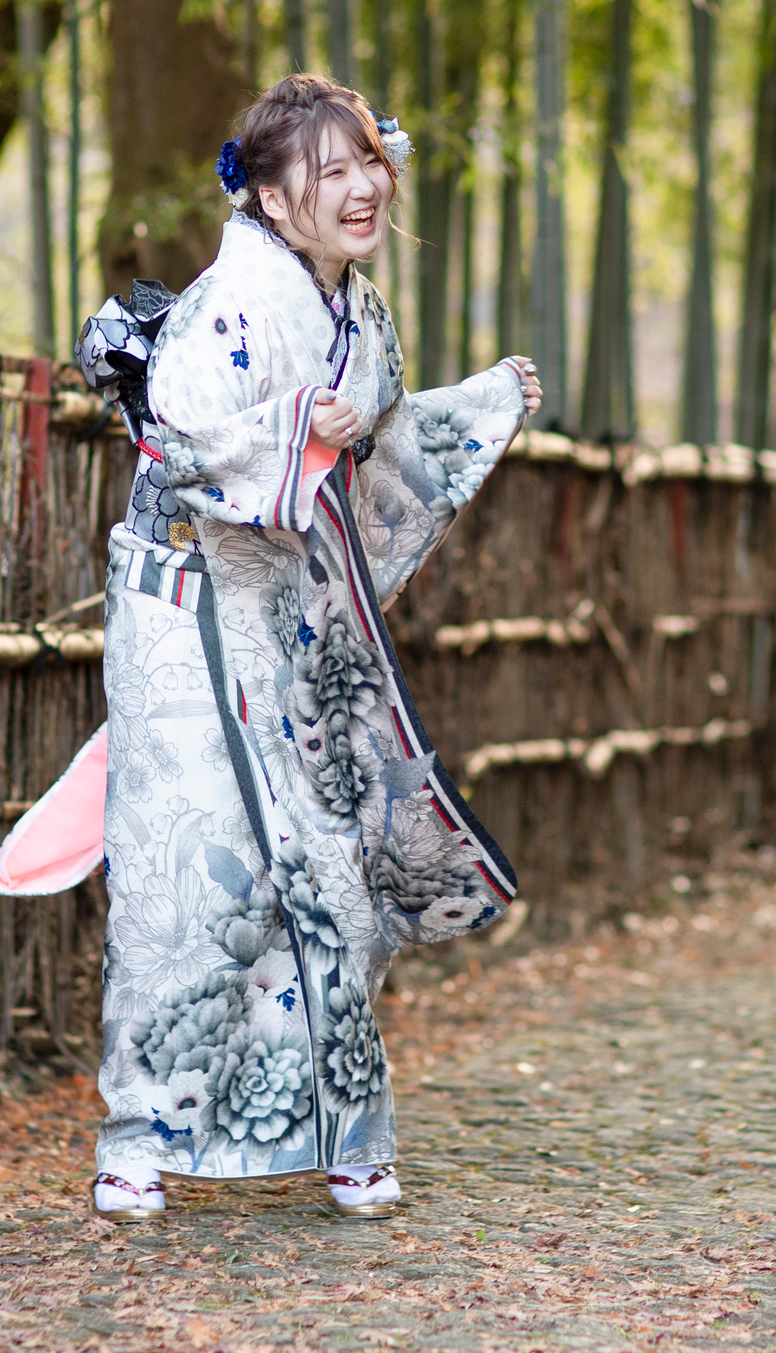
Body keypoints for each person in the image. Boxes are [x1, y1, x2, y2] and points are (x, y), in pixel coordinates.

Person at [72, 74, 542, 1221]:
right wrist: (296, 433)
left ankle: (338, 1127)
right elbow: (174, 439)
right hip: (187, 608)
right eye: (331, 171)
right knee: (191, 878)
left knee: (327, 869)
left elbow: (373, 414)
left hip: (285, 612)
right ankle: (138, 1138)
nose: (363, 186)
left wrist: (457, 410)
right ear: (274, 201)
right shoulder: (227, 306)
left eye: (368, 162)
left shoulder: (355, 308)